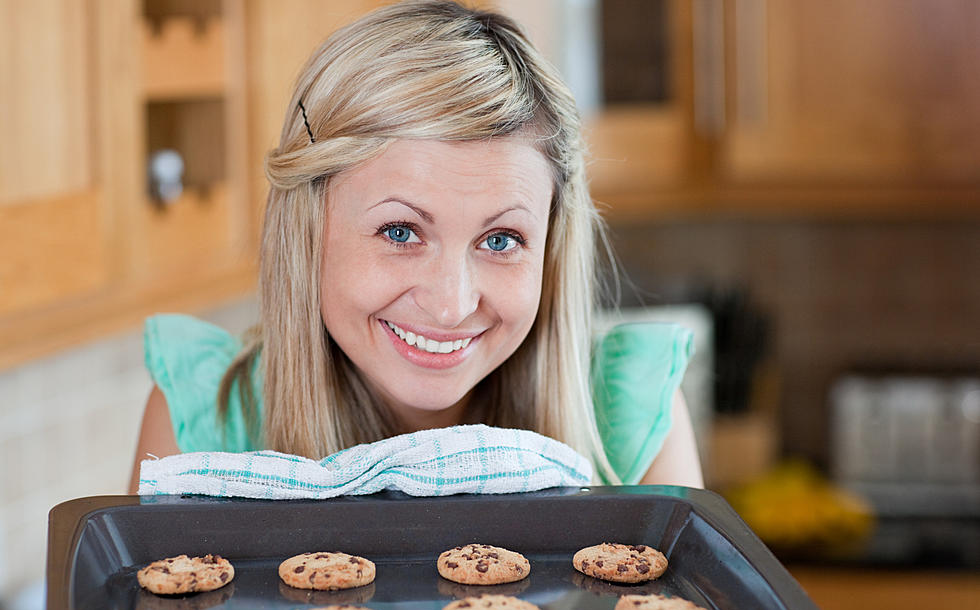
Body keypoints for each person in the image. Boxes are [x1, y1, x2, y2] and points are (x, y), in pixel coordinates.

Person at [128, 0, 703, 494]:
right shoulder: (199, 428)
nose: (452, 305)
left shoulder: (630, 426)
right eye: (400, 232)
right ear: (305, 230)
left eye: (501, 240)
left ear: (551, 246)